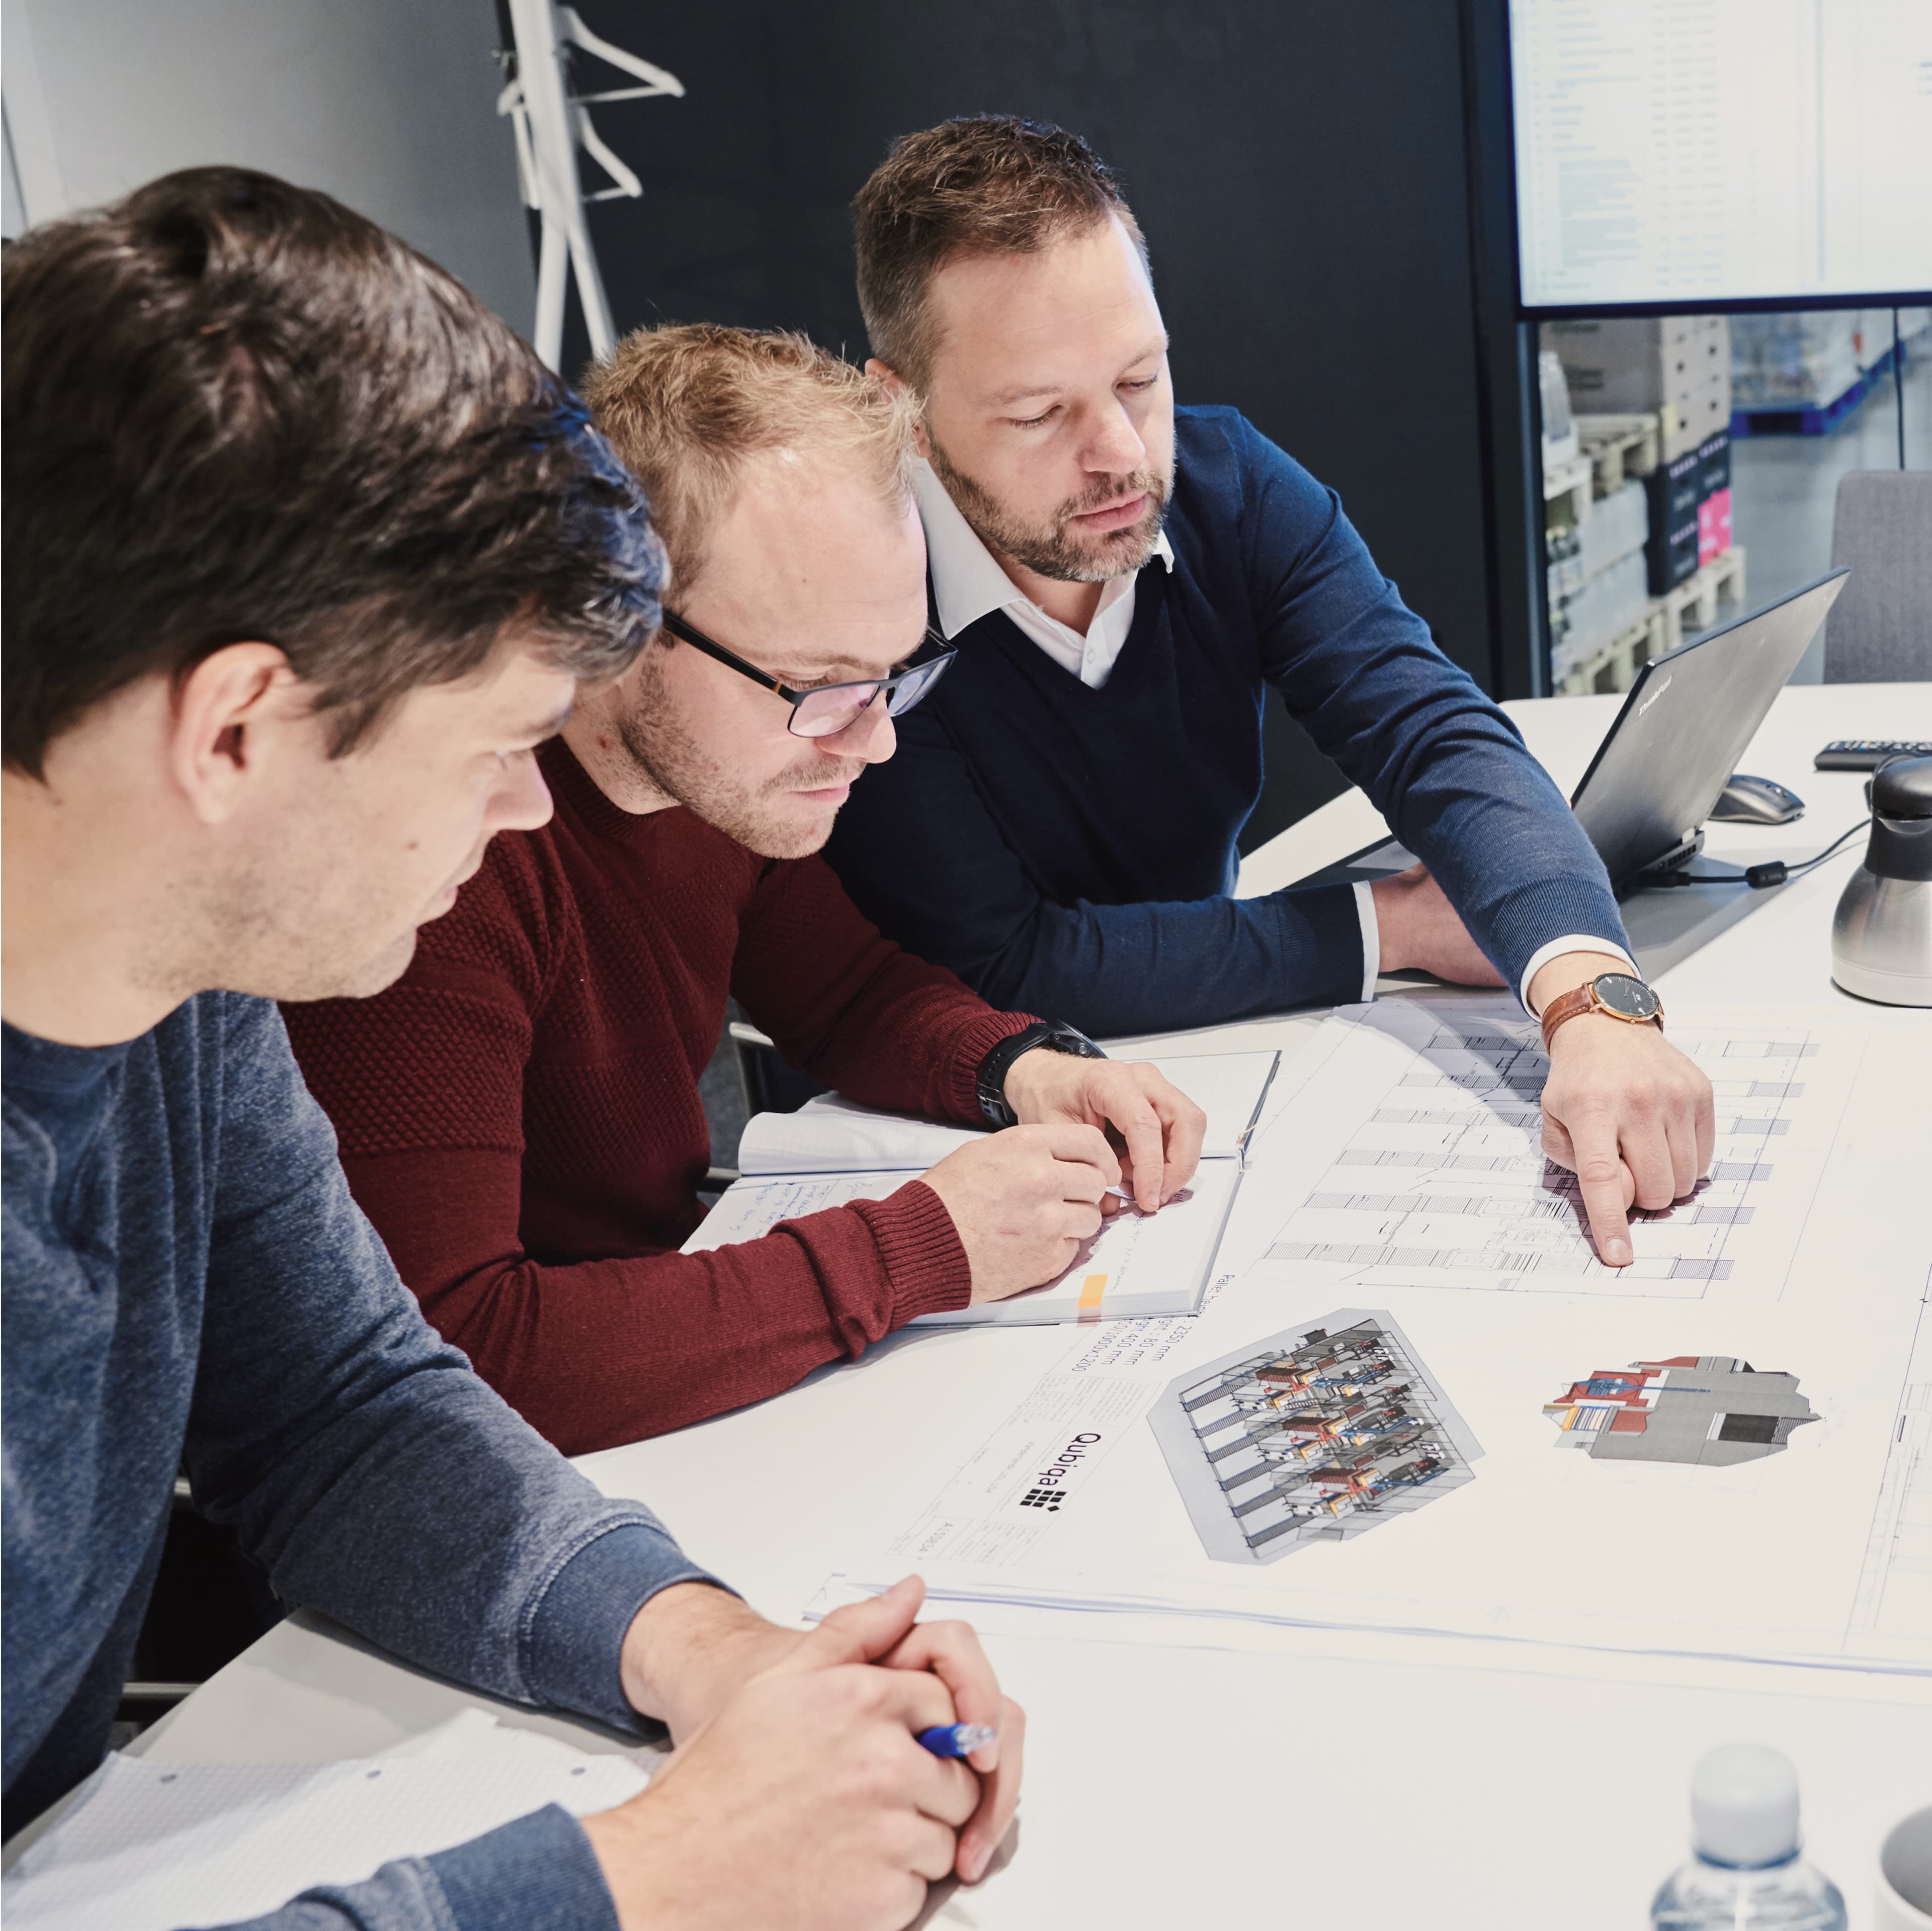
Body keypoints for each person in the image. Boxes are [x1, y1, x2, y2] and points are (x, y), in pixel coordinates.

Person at [2, 168, 1021, 1930]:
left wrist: (720, 1661)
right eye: (492, 741)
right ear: (239, 730)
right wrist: (652, 1877)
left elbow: (345, 1411)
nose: (520, 806)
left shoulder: (179, 982)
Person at [282, 321, 1207, 1457]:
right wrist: (920, 1247)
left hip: (672, 1356)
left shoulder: (721, 780)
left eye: (893, 678)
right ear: (619, 624)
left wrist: (1022, 1067)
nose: (869, 747)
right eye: (819, 690)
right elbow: (463, 1347)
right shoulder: (445, 867)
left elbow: (849, 990)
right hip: (537, 1454)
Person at [822, 115, 1715, 1268]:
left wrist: (1593, 1003)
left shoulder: (1224, 482)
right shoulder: (861, 594)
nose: (1120, 457)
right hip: (940, 1126)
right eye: (1039, 414)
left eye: (1140, 378)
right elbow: (1006, 961)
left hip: (1208, 1063)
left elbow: (1428, 730)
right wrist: (1383, 924)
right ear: (899, 404)